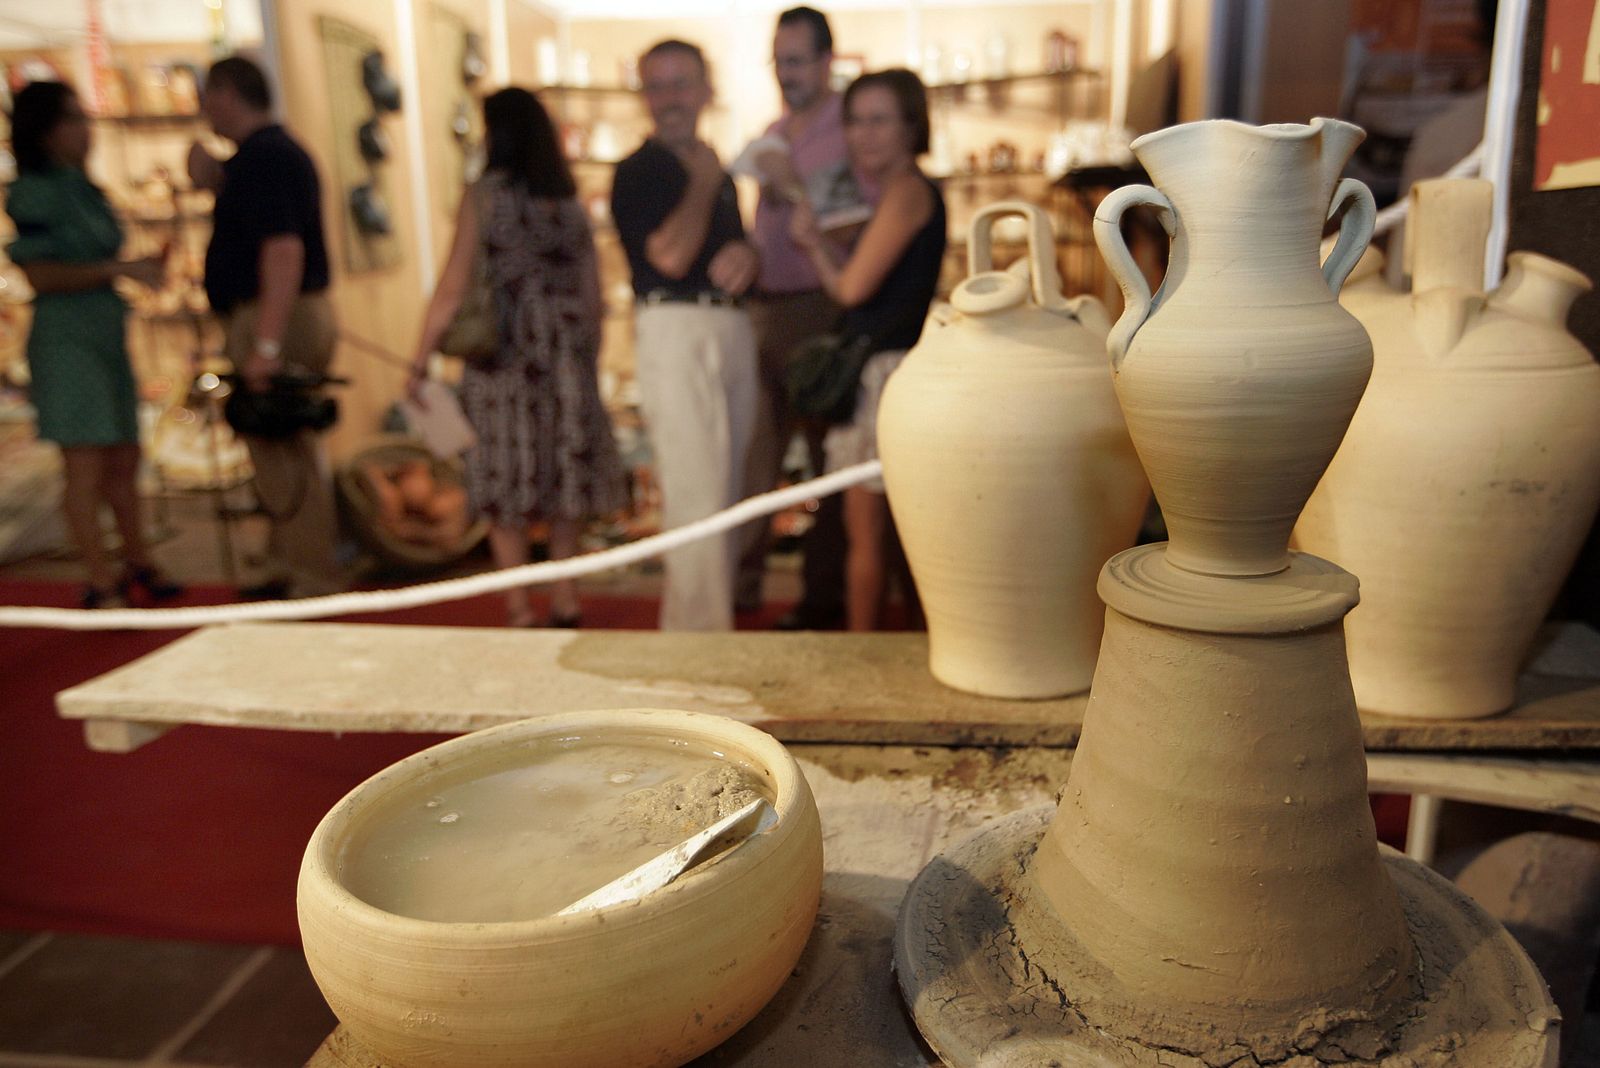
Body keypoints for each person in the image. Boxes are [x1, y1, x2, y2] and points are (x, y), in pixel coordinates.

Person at [407, 87, 628, 628]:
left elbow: (454, 287)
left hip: (504, 358)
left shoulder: (485, 196)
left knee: (503, 478)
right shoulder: (568, 201)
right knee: (562, 476)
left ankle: (519, 604)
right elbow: (592, 290)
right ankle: (567, 596)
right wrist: (587, 356)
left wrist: (419, 358)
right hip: (565, 356)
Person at [5, 81, 181, 609]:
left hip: (101, 333)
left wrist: (139, 267)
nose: (86, 130)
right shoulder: (35, 190)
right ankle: (100, 576)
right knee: (83, 464)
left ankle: (137, 559)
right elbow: (40, 274)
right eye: (73, 120)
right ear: (47, 131)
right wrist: (119, 268)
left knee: (124, 458)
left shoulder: (81, 186)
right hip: (67, 341)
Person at [611, 40, 760, 631]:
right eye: (658, 85)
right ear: (644, 95)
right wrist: (702, 180)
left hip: (729, 324)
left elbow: (730, 251)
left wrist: (749, 254)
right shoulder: (638, 170)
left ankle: (711, 633)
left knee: (728, 494)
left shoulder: (717, 170)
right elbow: (670, 257)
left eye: (681, 83)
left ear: (705, 89)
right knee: (695, 492)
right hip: (673, 327)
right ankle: (696, 646)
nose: (670, 98)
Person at [790, 69, 945, 631]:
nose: (864, 134)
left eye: (879, 120)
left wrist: (813, 247)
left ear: (911, 126)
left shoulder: (905, 191)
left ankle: (864, 654)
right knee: (887, 533)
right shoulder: (902, 191)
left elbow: (853, 289)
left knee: (868, 534)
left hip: (885, 376)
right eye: (854, 120)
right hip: (896, 373)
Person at [188, 55, 342, 600]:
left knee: (282, 441)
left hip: (277, 314)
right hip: (280, 312)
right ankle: (289, 560)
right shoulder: (266, 156)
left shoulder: (266, 158)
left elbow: (282, 249)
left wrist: (268, 343)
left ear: (228, 95)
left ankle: (309, 572)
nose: (205, 108)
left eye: (209, 95)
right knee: (276, 441)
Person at [739, 5, 850, 628]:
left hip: (820, 306)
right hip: (765, 307)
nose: (786, 72)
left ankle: (822, 599)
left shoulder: (847, 127)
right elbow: (768, 227)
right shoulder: (773, 128)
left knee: (826, 462)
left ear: (827, 60)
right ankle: (743, 586)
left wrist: (791, 184)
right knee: (756, 457)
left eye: (797, 59)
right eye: (778, 60)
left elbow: (847, 229)